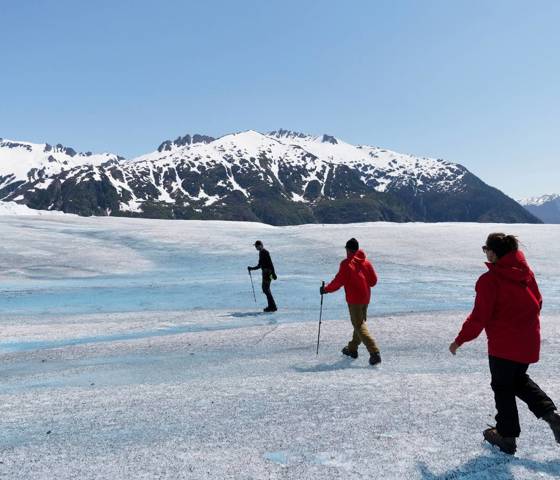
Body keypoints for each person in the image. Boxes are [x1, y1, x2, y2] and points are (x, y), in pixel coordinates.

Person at [449, 233, 560, 455]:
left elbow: (479, 317)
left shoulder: (490, 280)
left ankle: (506, 437)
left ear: (494, 252)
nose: (485, 253)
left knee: (503, 388)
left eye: (486, 249)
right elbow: (537, 302)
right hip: (527, 342)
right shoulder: (525, 274)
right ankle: (554, 418)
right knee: (518, 381)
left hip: (503, 346)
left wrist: (459, 340)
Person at [320, 238, 381, 365]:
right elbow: (373, 281)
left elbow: (338, 281)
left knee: (359, 325)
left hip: (354, 300)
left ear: (348, 250)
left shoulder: (347, 264)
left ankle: (374, 352)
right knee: (359, 324)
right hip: (365, 298)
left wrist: (326, 290)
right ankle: (352, 349)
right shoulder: (366, 263)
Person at [248, 240, 277, 312]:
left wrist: (273, 273)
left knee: (265, 289)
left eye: (256, 246)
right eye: (255, 246)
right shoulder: (261, 253)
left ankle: (272, 306)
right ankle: (271, 306)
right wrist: (252, 268)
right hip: (265, 273)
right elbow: (259, 265)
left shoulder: (265, 252)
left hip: (268, 273)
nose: (256, 247)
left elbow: (270, 263)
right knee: (266, 289)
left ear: (260, 245)